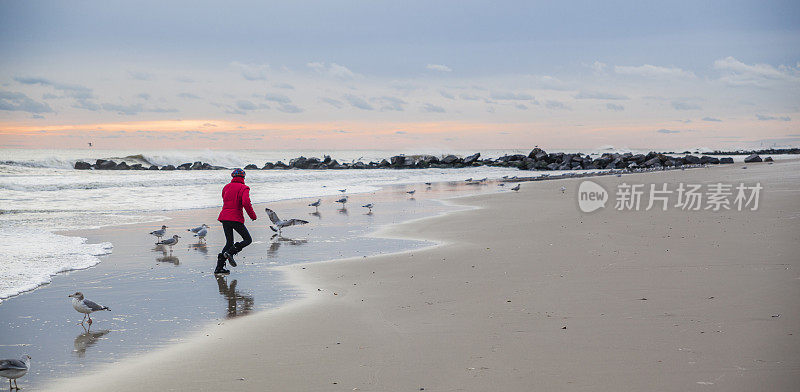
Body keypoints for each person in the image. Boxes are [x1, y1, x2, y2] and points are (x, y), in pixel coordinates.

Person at [215, 168, 257, 274]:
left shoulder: (226, 187)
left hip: (224, 217)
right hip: (235, 218)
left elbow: (225, 199)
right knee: (247, 239)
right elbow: (246, 202)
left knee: (229, 242)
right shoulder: (244, 188)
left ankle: (219, 268)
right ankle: (230, 253)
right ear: (243, 177)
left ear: (233, 177)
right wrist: (252, 216)